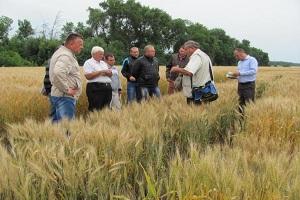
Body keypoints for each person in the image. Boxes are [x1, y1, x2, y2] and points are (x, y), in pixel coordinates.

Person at [49, 33, 83, 122]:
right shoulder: (66, 56)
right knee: (66, 128)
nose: (82, 47)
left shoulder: (62, 53)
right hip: (64, 97)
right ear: (71, 44)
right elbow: (58, 73)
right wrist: (67, 89)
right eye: (80, 44)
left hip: (60, 96)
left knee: (57, 127)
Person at [171, 40, 213, 105]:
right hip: (205, 89)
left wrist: (176, 69)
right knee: (203, 111)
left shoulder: (196, 56)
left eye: (186, 49)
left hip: (198, 91)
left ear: (192, 48)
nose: (185, 52)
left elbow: (189, 72)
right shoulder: (204, 55)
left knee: (196, 111)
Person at [83, 46, 113, 111]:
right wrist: (101, 72)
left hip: (107, 87)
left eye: (102, 54)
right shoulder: (88, 62)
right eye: (100, 54)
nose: (102, 56)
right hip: (96, 88)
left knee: (106, 108)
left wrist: (104, 73)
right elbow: (88, 76)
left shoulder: (103, 63)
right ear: (93, 54)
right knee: (96, 108)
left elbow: (110, 74)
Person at [232, 48, 258, 113]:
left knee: (249, 103)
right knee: (240, 104)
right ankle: (241, 120)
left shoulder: (252, 60)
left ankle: (249, 119)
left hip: (249, 85)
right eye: (235, 56)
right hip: (240, 85)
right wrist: (235, 76)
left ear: (242, 53)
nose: (236, 57)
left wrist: (240, 73)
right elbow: (239, 73)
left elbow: (253, 71)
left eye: (237, 55)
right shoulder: (239, 62)